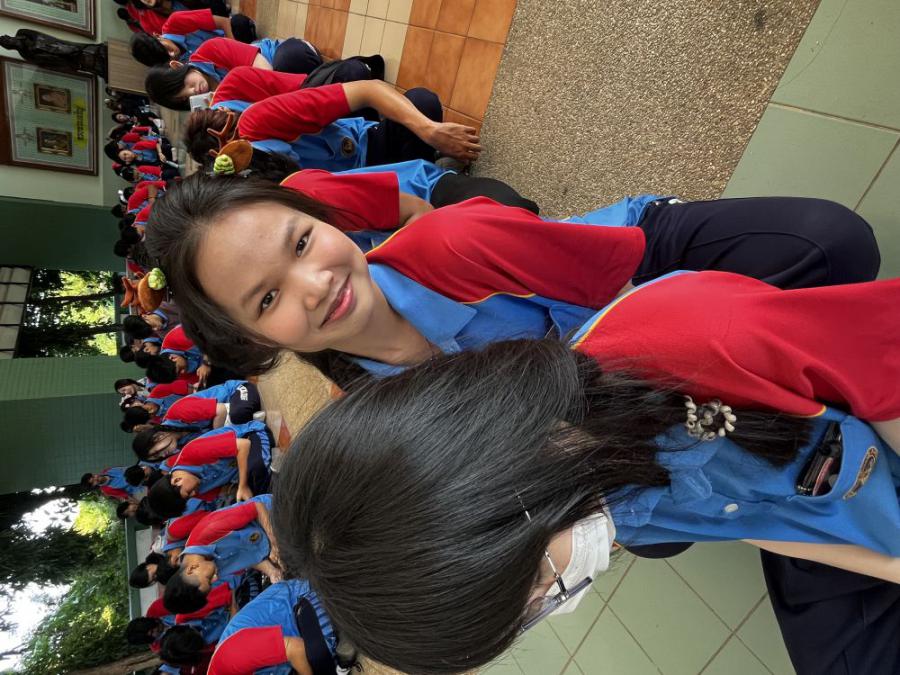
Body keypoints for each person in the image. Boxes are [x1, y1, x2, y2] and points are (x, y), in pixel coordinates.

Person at [272, 268, 900, 673]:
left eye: (540, 582)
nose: (559, 596)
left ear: (492, 476)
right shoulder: (597, 494)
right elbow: (753, 526)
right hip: (833, 523)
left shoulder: (700, 337)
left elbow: (882, 375)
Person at [143, 174, 879, 383]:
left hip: (625, 265)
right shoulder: (371, 396)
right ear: (250, 338)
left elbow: (628, 294)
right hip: (591, 366)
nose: (314, 284)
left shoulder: (455, 242)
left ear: (324, 215)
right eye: (268, 297)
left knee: (834, 247)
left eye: (304, 241)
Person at [178, 69, 479, 169]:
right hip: (353, 189)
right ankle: (426, 167)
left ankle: (428, 161)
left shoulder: (259, 117)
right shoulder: (238, 183)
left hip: (364, 148)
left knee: (422, 103)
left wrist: (430, 131)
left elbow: (368, 89)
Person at [164, 494, 280, 613]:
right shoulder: (207, 564)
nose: (215, 578)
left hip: (274, 513)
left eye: (208, 579)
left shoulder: (208, 531)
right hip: (272, 543)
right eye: (211, 583)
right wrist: (272, 572)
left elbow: (257, 507)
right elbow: (249, 556)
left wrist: (275, 543)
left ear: (192, 569)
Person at [207, 579, 339, 675]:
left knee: (323, 663)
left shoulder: (227, 660)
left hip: (299, 602)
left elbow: (295, 648)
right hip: (296, 632)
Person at [148, 420, 273, 518]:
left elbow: (243, 445)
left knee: (257, 470)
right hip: (245, 466)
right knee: (252, 497)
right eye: (189, 498)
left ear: (176, 480)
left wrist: (243, 485)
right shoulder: (191, 487)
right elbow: (226, 491)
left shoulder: (192, 453)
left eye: (188, 493)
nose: (194, 494)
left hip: (252, 436)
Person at [0, 29, 107, 79]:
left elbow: (39, 36)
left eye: (6, 38)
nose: (8, 39)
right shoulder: (25, 55)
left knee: (79, 49)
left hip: (57, 45)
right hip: (59, 57)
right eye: (6, 42)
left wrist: (34, 45)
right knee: (84, 61)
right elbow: (46, 63)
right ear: (8, 47)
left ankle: (97, 52)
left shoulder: (22, 33)